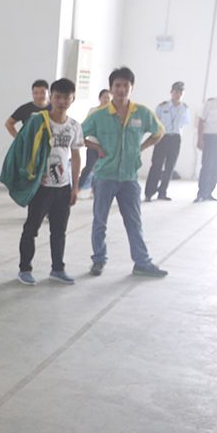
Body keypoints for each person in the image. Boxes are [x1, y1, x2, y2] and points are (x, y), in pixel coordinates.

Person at [82, 67, 168, 278]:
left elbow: (159, 131)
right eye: (117, 85)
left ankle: (142, 262)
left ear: (132, 87)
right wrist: (96, 147)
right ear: (111, 88)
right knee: (100, 221)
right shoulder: (99, 115)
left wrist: (141, 147)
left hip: (129, 178)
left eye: (126, 86)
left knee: (134, 222)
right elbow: (77, 135)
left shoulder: (142, 113)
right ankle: (98, 259)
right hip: (105, 176)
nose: (121, 90)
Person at [15, 78, 83, 285]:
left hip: (63, 187)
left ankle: (58, 268)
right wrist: (32, 175)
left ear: (72, 99)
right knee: (31, 229)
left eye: (66, 98)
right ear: (51, 98)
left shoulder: (74, 126)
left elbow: (76, 156)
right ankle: (24, 269)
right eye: (58, 97)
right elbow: (23, 148)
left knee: (59, 231)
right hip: (41, 188)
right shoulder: (38, 121)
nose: (62, 101)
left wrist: (75, 187)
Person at [144, 81, 189, 202]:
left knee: (170, 167)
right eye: (176, 91)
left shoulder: (185, 109)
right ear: (171, 92)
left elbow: (184, 123)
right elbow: (155, 122)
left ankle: (162, 192)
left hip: (175, 138)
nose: (178, 94)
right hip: (162, 137)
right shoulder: (162, 107)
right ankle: (149, 192)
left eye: (181, 92)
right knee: (156, 165)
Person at [77, 89, 111, 190]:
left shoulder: (112, 113)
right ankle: (78, 187)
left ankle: (95, 189)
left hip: (106, 146)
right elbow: (86, 125)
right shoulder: (93, 111)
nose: (106, 100)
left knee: (101, 170)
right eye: (105, 97)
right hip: (93, 144)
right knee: (89, 167)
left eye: (109, 98)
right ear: (100, 98)